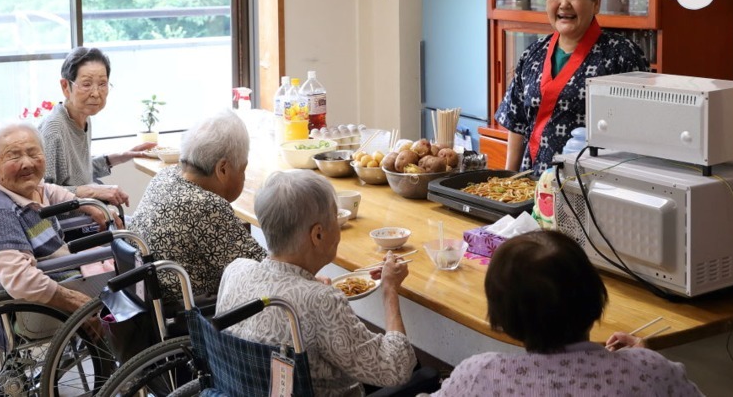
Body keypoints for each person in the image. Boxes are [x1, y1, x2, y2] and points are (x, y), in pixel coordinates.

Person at [216, 170, 424, 397]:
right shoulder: (320, 301)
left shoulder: (236, 270)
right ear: (317, 235)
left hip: (243, 390)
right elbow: (397, 368)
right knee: (422, 372)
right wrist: (390, 289)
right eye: (335, 219)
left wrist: (306, 283)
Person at [426, 231, 704, 396]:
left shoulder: (479, 375)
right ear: (597, 298)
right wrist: (643, 359)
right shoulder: (649, 371)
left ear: (501, 318)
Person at [495, 0, 649, 172]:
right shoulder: (533, 54)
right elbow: (517, 122)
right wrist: (508, 178)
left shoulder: (621, 54)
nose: (564, 4)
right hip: (532, 185)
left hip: (591, 186)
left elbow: (640, 130)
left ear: (596, 3)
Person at [0, 120, 118, 314]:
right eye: (13, 156)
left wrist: (87, 206)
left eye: (33, 153)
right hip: (58, 282)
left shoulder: (17, 188)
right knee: (134, 266)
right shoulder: (0, 212)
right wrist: (77, 302)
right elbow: (19, 279)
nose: (27, 163)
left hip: (62, 262)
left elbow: (49, 190)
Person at [129, 108, 266, 307]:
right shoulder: (207, 206)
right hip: (192, 313)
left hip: (149, 300)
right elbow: (263, 272)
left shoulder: (165, 176)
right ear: (223, 169)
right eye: (243, 169)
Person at [39, 46, 154, 207]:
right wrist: (95, 192)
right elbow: (42, 192)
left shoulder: (83, 116)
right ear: (66, 86)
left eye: (102, 84)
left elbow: (78, 174)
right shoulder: (54, 129)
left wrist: (122, 156)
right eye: (86, 84)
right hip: (69, 222)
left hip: (87, 210)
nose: (96, 93)